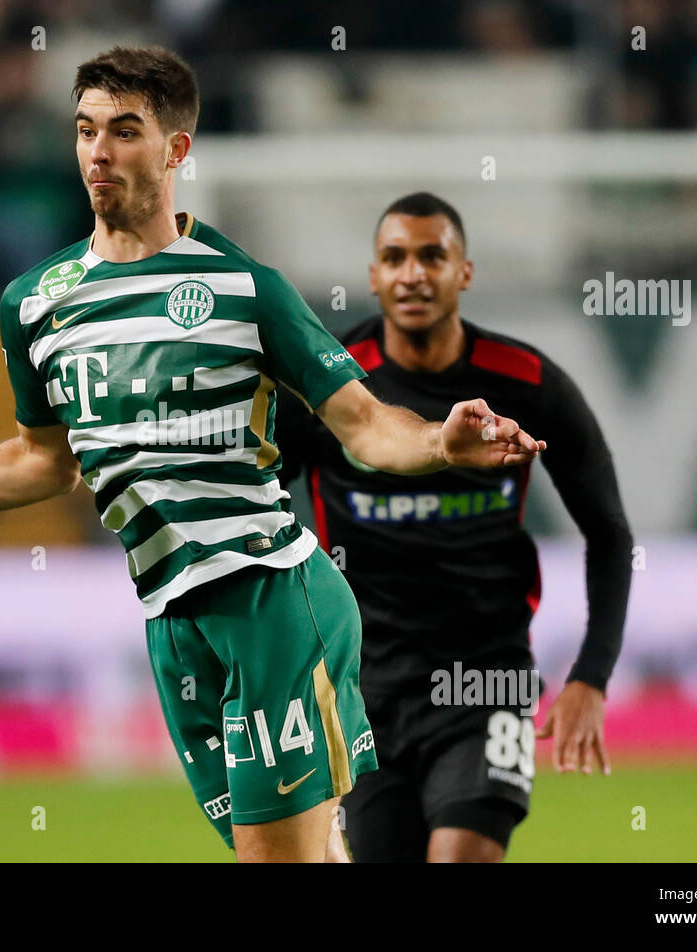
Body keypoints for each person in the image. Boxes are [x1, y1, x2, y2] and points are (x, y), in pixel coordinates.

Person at [0, 52, 545, 863]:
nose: (99, 152)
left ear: (175, 151)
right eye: (86, 130)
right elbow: (43, 461)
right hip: (173, 624)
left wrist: (441, 440)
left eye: (126, 132)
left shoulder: (242, 287)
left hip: (272, 599)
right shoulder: (36, 304)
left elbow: (364, 424)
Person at [275, 192, 632, 862]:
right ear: (374, 274)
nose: (413, 273)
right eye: (395, 258)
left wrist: (592, 673)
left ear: (464, 271)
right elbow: (261, 508)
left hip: (486, 681)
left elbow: (608, 531)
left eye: (432, 256)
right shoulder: (329, 387)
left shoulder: (526, 382)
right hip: (359, 691)